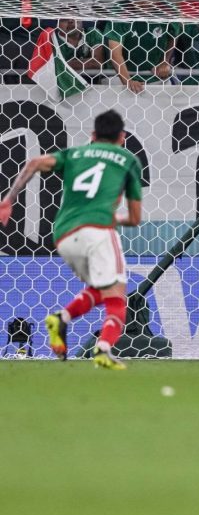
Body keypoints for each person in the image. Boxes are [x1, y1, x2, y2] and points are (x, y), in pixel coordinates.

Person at [0, 110, 143, 371]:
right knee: (118, 296)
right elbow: (134, 218)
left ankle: (61, 318)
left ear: (92, 136)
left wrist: (8, 200)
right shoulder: (128, 160)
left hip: (64, 235)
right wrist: (113, 217)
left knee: (100, 289)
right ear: (122, 137)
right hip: (98, 230)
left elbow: (32, 163)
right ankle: (103, 349)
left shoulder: (75, 154)